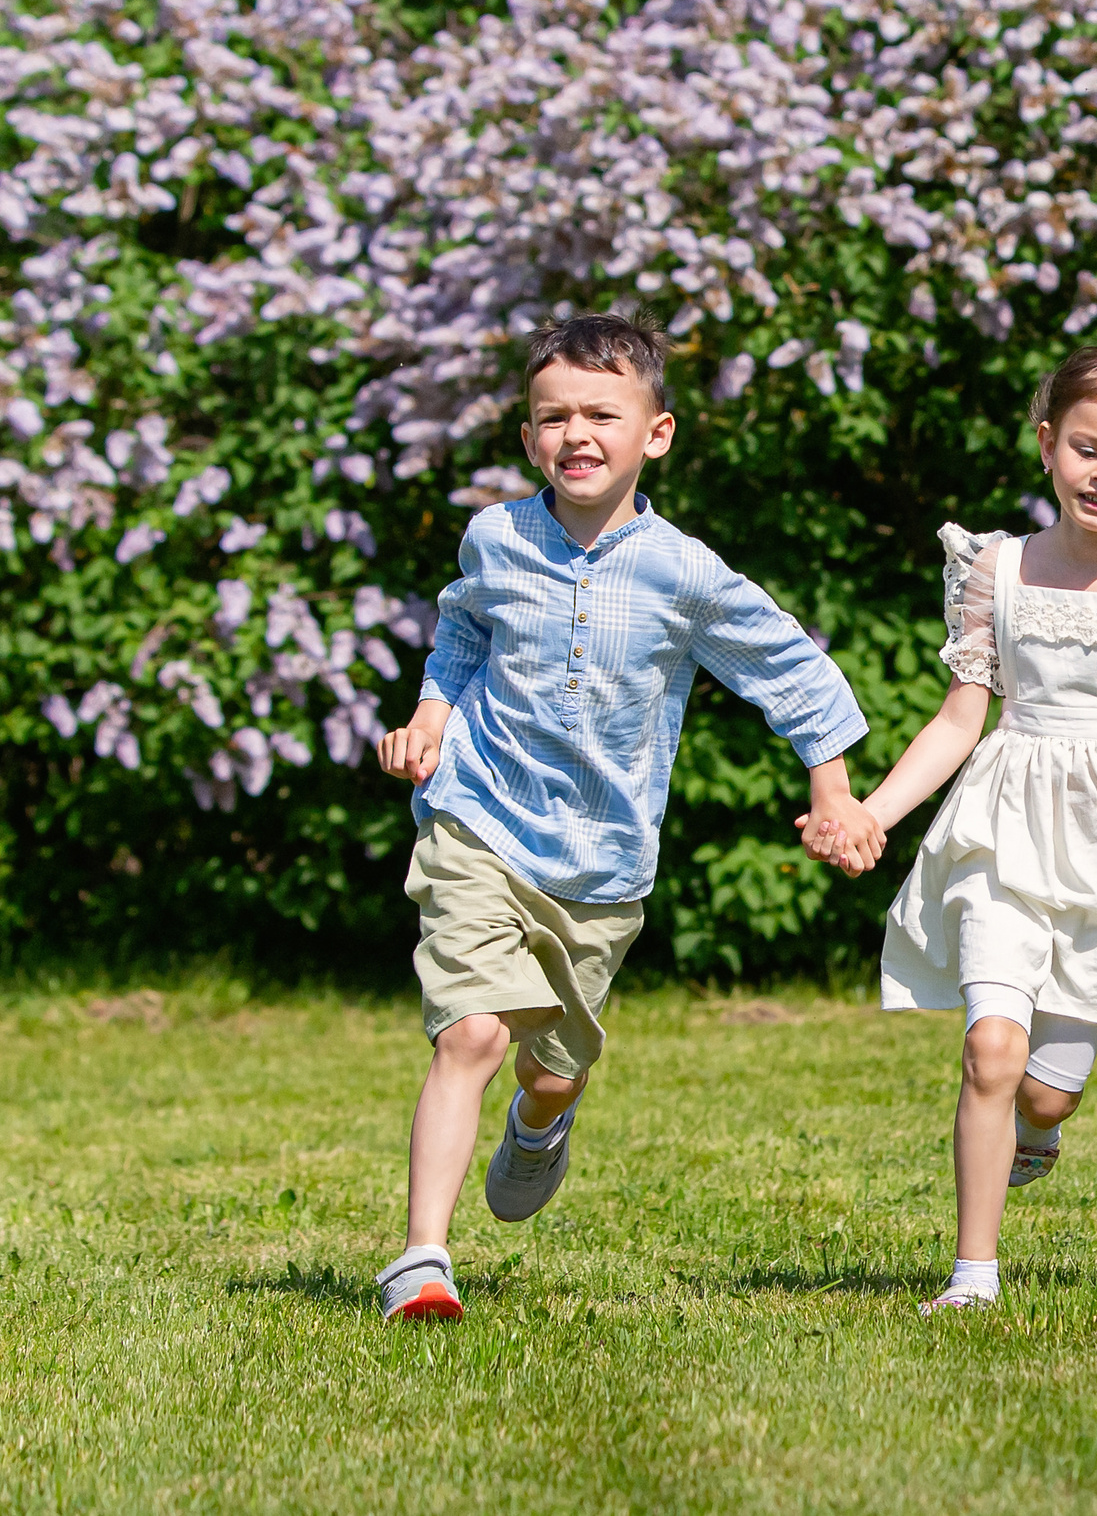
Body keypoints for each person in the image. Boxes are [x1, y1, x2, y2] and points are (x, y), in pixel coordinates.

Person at [371, 311, 881, 1323]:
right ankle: (421, 1261)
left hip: (602, 861)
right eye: (550, 416)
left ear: (656, 434)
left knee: (549, 1068)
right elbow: (461, 631)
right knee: (469, 1030)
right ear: (527, 438)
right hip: (476, 814)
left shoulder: (682, 571)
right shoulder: (494, 538)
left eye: (601, 413)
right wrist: (431, 714)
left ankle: (540, 1119)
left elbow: (787, 668)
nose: (575, 435)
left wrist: (832, 787)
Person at [807, 340, 1097, 1315]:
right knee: (990, 1051)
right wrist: (874, 814)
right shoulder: (998, 570)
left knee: (1045, 1089)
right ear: (1047, 444)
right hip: (1003, 830)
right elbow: (956, 721)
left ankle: (1043, 1123)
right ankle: (971, 1276)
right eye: (1086, 449)